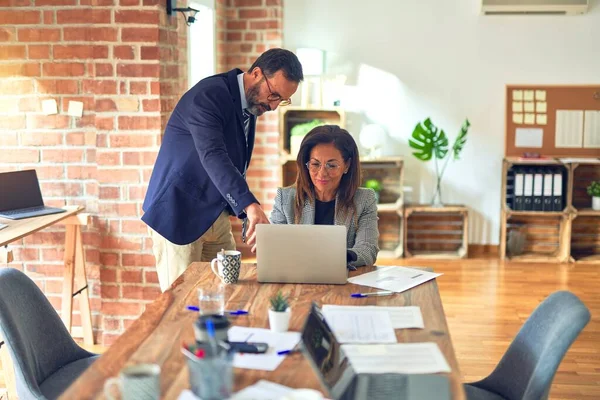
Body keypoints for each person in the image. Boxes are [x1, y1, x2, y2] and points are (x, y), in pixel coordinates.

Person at [142, 48, 304, 291]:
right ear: (257, 73)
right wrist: (250, 205)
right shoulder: (209, 95)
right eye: (273, 95)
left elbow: (233, 161)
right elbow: (213, 155)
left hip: (214, 216)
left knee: (225, 292)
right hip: (178, 213)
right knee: (182, 303)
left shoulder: (251, 102)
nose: (273, 106)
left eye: (281, 100)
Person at [266, 125, 379, 267]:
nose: (322, 173)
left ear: (347, 165)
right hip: (296, 279)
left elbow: (367, 250)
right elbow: (275, 248)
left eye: (331, 165)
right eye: (315, 164)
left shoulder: (364, 199)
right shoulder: (285, 198)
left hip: (343, 278)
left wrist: (336, 256)